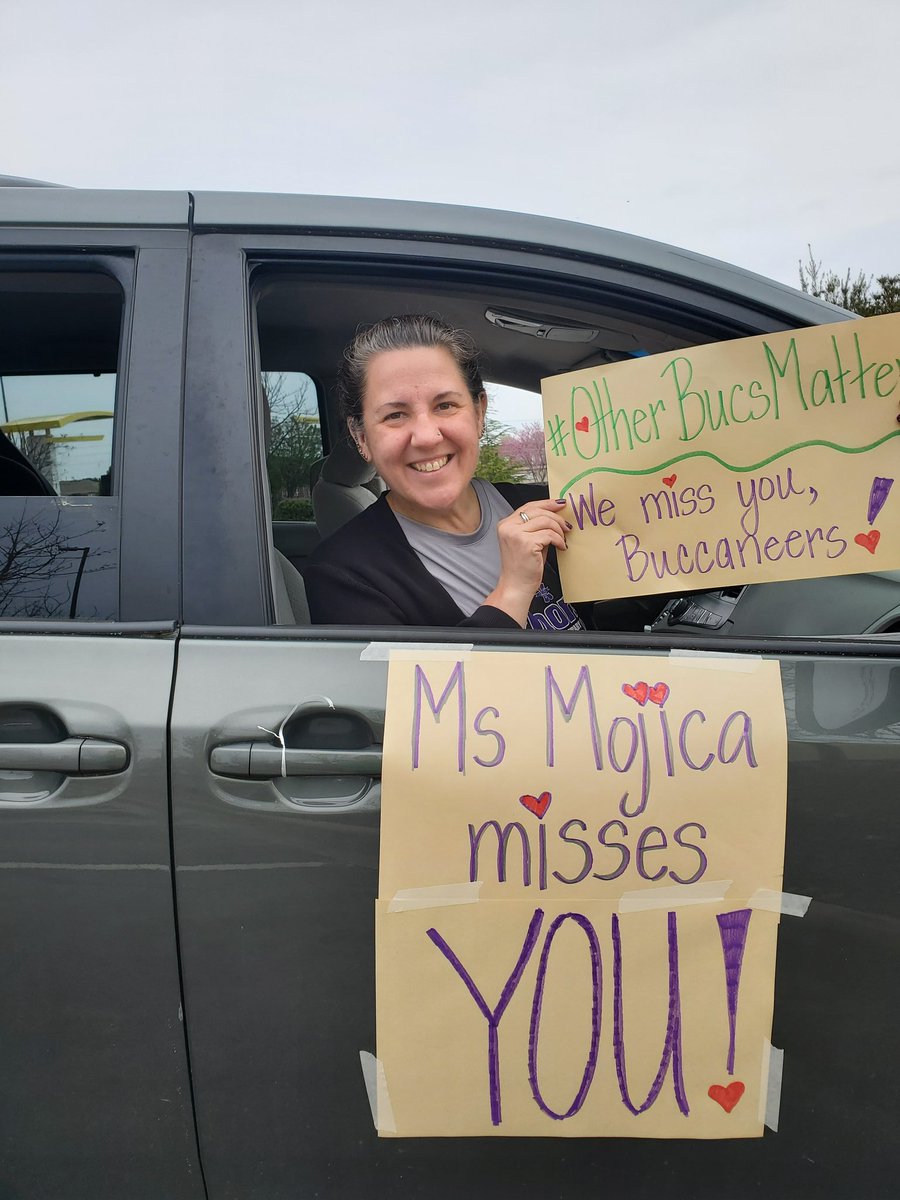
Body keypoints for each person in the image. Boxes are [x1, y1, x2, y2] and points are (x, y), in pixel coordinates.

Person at [304, 314, 585, 630]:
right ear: (362, 438)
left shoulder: (554, 503)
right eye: (395, 415)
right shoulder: (341, 575)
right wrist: (513, 590)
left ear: (479, 413)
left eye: (445, 406)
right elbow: (423, 680)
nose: (426, 436)